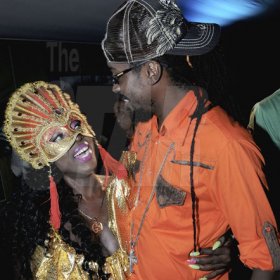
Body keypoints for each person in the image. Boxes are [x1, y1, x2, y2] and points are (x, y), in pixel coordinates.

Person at [102, 0, 280, 279]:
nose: (115, 87)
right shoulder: (144, 130)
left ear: (150, 71)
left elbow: (265, 263)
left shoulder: (226, 144)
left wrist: (233, 238)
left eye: (118, 76)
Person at [0, 81, 231, 280]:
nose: (76, 136)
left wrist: (223, 249)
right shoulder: (48, 232)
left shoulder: (132, 184)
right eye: (57, 137)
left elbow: (193, 220)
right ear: (43, 160)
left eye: (75, 124)